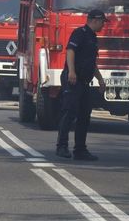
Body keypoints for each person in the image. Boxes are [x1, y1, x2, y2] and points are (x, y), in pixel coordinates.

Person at [56, 9, 107, 161]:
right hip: (73, 80)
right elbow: (70, 51)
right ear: (95, 20)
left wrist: (100, 79)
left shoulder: (92, 37)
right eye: (102, 21)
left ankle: (80, 149)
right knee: (69, 112)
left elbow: (91, 62)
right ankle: (62, 146)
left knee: (85, 115)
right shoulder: (80, 33)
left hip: (85, 82)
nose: (103, 25)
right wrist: (71, 71)